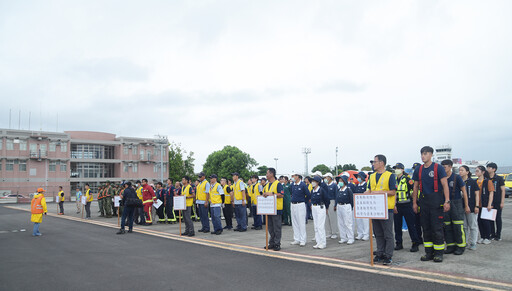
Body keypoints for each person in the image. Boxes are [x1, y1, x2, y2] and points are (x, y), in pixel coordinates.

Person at [413, 146, 450, 263]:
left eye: (425, 154)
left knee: (437, 228)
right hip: (423, 202)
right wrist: (414, 203)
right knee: (426, 228)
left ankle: (439, 253)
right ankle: (428, 252)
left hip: (436, 201)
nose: (423, 156)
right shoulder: (418, 169)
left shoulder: (438, 168)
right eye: (422, 154)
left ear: (431, 155)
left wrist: (447, 201)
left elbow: (445, 185)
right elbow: (415, 187)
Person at [365, 154, 397, 265]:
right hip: (375, 209)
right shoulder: (372, 176)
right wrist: (361, 195)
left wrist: (380, 192)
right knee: (378, 233)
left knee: (387, 233)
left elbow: (393, 192)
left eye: (374, 162)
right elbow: (369, 190)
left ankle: (388, 255)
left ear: (381, 163)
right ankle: (380, 253)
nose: (373, 164)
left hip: (386, 209)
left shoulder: (390, 176)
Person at [441, 159, 469, 255]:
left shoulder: (457, 178)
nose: (443, 169)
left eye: (444, 167)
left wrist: (466, 206)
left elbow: (464, 192)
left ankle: (461, 246)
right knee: (447, 226)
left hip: (456, 204)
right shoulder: (442, 178)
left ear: (450, 167)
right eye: (442, 167)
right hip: (445, 203)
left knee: (458, 226)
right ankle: (450, 246)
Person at [393, 163, 421, 252]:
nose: (396, 170)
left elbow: (414, 191)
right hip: (397, 205)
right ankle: (399, 243)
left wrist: (414, 203)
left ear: (402, 169)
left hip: (407, 204)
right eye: (395, 168)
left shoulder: (408, 180)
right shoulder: (394, 180)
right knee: (397, 226)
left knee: (411, 225)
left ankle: (415, 243)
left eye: (398, 168)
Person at [262, 168, 284, 251]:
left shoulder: (278, 184)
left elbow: (281, 194)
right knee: (270, 227)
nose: (266, 175)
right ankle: (272, 243)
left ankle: (277, 243)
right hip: (268, 209)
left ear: (271, 174)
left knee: (277, 227)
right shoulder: (267, 185)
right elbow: (265, 193)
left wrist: (272, 194)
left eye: (267, 173)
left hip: (276, 209)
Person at [459, 165, 480, 250]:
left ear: (467, 172)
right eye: (459, 170)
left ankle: (473, 242)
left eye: (462, 170)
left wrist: (477, 206)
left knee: (473, 226)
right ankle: (465, 242)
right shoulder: (459, 182)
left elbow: (477, 195)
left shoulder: (472, 182)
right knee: (464, 226)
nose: (460, 172)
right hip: (461, 207)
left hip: (471, 207)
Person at [475, 166, 495, 245]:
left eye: (477, 171)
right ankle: (482, 236)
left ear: (483, 172)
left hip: (485, 204)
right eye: (475, 171)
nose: (476, 173)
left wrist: (489, 204)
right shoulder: (475, 181)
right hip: (478, 205)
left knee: (486, 221)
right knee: (479, 221)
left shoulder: (487, 181)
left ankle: (487, 237)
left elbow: (491, 193)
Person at [290, 174, 310, 246]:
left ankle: (302, 239)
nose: (292, 177)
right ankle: (296, 239)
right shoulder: (292, 184)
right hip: (293, 204)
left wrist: (303, 201)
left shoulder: (303, 185)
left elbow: (308, 194)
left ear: (297, 177)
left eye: (294, 176)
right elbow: (291, 193)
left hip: (300, 204)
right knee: (294, 222)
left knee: (301, 222)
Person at [487, 162, 505, 241]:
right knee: (490, 218)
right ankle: (492, 234)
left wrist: (502, 202)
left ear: (494, 169)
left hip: (497, 201)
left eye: (489, 168)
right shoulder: (486, 178)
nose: (487, 169)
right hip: (489, 202)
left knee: (498, 218)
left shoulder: (499, 178)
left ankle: (498, 235)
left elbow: (503, 191)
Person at [310, 176, 329, 249]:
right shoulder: (313, 190)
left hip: (320, 207)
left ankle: (323, 243)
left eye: (314, 181)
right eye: (312, 181)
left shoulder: (321, 190)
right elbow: (311, 198)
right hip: (314, 208)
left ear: (318, 182)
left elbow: (327, 200)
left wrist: (326, 208)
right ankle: (318, 242)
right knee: (316, 226)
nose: (312, 182)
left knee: (320, 226)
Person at [335, 175, 354, 245]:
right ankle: (343, 237)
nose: (340, 182)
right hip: (339, 206)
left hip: (346, 206)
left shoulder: (348, 190)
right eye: (339, 181)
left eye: (341, 181)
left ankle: (350, 238)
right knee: (341, 223)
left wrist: (350, 208)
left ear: (345, 182)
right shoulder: (339, 190)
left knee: (347, 223)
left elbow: (352, 200)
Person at [353, 172, 370, 241]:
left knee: (365, 220)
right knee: (358, 220)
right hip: (357, 205)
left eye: (359, 177)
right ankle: (360, 233)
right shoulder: (357, 185)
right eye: (357, 177)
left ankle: (366, 234)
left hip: (364, 205)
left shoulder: (366, 185)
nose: (358, 178)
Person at [411, 162, 424, 244]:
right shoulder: (412, 180)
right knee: (416, 223)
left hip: (423, 202)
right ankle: (419, 238)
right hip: (416, 202)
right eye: (414, 169)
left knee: (425, 223)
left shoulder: (423, 178)